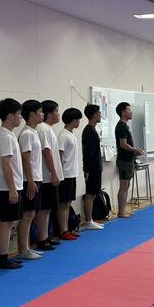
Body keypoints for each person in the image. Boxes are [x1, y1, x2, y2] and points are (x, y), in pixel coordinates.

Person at [0, 98, 24, 270]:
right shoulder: (4, 136)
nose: (21, 117)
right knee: (6, 223)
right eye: (19, 114)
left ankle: (5, 255)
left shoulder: (9, 134)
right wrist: (12, 188)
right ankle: (3, 257)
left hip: (11, 186)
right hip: (6, 187)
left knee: (9, 223)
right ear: (10, 116)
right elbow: (6, 164)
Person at [18, 100, 45, 260]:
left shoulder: (33, 132)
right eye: (40, 112)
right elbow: (25, 158)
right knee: (28, 214)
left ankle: (26, 247)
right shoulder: (27, 133)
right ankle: (23, 249)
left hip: (35, 178)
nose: (42, 114)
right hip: (30, 179)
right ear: (32, 114)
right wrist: (30, 180)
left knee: (32, 213)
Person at [36, 100, 63, 249]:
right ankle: (42, 239)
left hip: (49, 175)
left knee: (48, 209)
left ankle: (46, 236)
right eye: (56, 111)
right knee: (44, 209)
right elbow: (46, 152)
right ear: (49, 114)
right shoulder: (42, 129)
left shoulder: (48, 129)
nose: (58, 114)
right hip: (46, 177)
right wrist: (53, 173)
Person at [57, 107, 83, 240]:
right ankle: (63, 231)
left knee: (68, 203)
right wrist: (59, 174)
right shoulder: (63, 135)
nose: (79, 122)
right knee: (63, 203)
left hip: (72, 173)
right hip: (65, 174)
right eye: (78, 120)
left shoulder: (71, 134)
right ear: (73, 120)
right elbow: (59, 155)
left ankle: (67, 228)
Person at [115, 102, 144, 218]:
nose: (131, 112)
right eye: (128, 110)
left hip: (128, 160)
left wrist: (134, 151)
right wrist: (134, 150)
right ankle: (120, 211)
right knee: (123, 186)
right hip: (124, 160)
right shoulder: (121, 126)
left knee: (126, 185)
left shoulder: (125, 125)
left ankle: (122, 210)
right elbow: (123, 144)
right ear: (123, 112)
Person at [81, 104, 104, 230]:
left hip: (96, 166)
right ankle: (88, 220)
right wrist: (87, 170)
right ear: (94, 115)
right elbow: (87, 153)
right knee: (90, 194)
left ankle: (90, 220)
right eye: (99, 113)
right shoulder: (89, 131)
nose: (100, 115)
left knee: (93, 193)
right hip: (92, 168)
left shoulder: (92, 130)